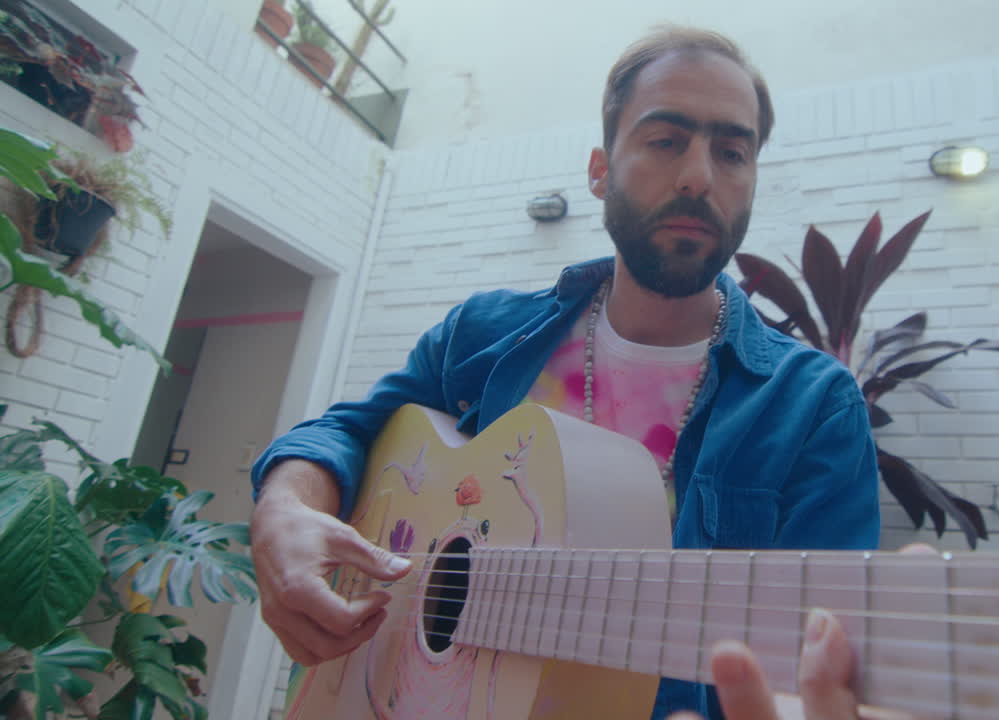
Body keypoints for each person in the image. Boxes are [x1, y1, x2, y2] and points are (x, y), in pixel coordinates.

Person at [250, 25, 881, 720]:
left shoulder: (813, 406)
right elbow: (345, 433)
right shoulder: (481, 337)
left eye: (732, 151)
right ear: (599, 170)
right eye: (666, 140)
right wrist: (283, 509)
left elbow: (823, 658)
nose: (700, 175)